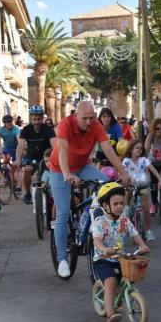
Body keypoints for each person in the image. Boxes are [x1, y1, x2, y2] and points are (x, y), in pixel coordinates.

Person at [49, 101, 130, 278]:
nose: (88, 121)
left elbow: (108, 149)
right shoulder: (65, 124)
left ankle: (91, 219)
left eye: (91, 118)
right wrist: (66, 174)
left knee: (107, 185)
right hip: (58, 169)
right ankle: (62, 259)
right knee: (63, 213)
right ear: (76, 115)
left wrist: (123, 173)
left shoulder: (96, 126)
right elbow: (62, 149)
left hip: (83, 167)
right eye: (84, 118)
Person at [91, 182, 150, 322]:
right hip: (103, 259)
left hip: (120, 258)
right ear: (105, 206)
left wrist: (142, 245)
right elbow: (96, 240)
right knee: (110, 282)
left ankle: (120, 298)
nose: (119, 206)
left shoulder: (124, 220)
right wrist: (104, 248)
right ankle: (110, 314)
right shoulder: (101, 222)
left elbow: (134, 234)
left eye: (121, 203)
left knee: (130, 276)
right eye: (115, 203)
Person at [122, 139, 161, 241]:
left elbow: (153, 169)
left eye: (141, 148)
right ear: (131, 149)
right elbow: (121, 171)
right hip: (130, 185)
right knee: (128, 191)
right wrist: (124, 178)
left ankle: (148, 231)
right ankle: (127, 206)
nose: (139, 150)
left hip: (142, 184)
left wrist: (160, 179)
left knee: (145, 206)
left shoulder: (144, 160)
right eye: (137, 148)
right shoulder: (127, 161)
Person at [15, 105, 56, 204]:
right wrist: (18, 160)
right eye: (34, 119)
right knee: (27, 170)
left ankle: (51, 194)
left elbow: (55, 145)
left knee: (48, 176)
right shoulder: (26, 130)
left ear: (42, 118)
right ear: (31, 118)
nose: (36, 122)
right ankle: (28, 194)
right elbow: (20, 146)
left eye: (39, 119)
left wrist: (56, 158)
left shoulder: (48, 129)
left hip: (46, 156)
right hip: (31, 156)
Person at [0, 114, 21, 196]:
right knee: (6, 162)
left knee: (17, 167)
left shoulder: (16, 129)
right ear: (4, 123)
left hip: (16, 149)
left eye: (10, 121)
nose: (9, 123)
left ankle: (18, 187)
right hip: (7, 149)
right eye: (7, 122)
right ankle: (8, 177)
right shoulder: (1, 130)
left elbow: (19, 139)